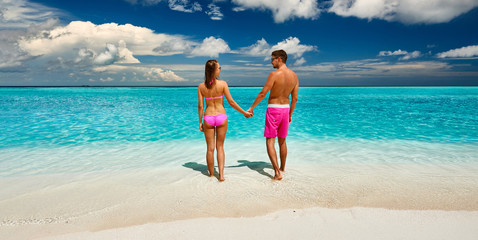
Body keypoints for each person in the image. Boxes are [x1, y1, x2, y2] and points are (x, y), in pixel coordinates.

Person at [247, 50, 299, 180]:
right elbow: (295, 98)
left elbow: (263, 93)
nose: (271, 62)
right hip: (286, 110)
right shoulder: (294, 76)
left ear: (279, 59)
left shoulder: (274, 74)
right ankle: (282, 167)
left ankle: (277, 173)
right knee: (282, 141)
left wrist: (252, 107)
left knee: (270, 140)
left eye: (273, 59)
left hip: (274, 109)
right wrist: (290, 113)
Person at [198, 59, 252, 181]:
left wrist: (200, 122)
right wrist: (244, 113)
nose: (220, 70)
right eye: (219, 68)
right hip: (221, 117)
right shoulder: (223, 84)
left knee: (210, 149)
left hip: (208, 117)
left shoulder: (201, 86)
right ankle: (221, 176)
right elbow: (231, 102)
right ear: (214, 70)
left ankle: (211, 175)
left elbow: (200, 106)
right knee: (220, 147)